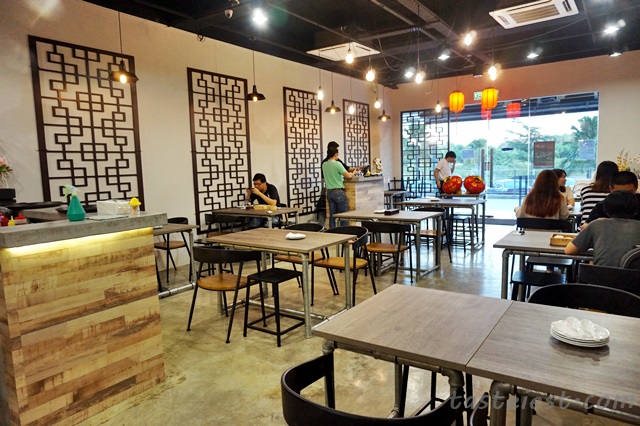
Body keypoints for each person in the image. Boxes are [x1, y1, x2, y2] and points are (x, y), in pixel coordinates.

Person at [566, 191, 640, 266]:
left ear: (606, 211)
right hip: (633, 273)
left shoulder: (597, 224)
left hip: (601, 272)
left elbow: (569, 250)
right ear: (636, 211)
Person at [322, 146, 353, 228]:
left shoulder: (324, 165)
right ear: (335, 154)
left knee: (332, 215)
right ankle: (344, 233)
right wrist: (354, 173)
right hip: (338, 192)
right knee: (344, 215)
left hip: (329, 192)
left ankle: (332, 232)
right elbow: (348, 175)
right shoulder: (337, 164)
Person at [579, 160, 618, 225]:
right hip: (610, 227)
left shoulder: (585, 190)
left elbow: (583, 209)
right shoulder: (616, 193)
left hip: (586, 227)